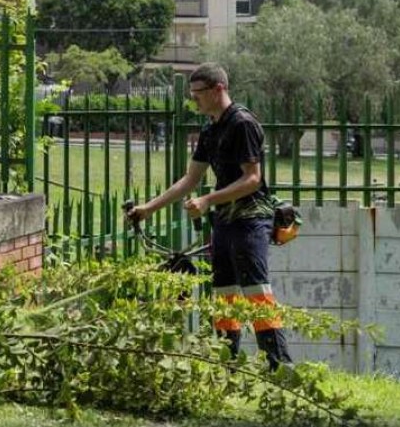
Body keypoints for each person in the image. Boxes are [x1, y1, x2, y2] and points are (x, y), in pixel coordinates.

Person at [125, 63, 292, 370]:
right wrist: (148, 209)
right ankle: (226, 363)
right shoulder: (209, 129)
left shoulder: (241, 123)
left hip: (252, 218)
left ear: (219, 90)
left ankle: (279, 366)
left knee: (256, 292)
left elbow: (253, 179)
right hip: (225, 220)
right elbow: (189, 180)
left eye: (198, 93)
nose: (194, 100)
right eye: (192, 94)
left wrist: (207, 200)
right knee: (224, 294)